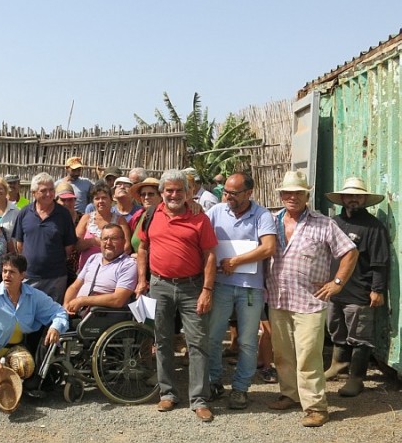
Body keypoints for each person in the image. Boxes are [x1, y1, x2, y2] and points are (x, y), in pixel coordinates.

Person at [265, 170, 358, 427]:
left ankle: (316, 407)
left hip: (310, 301)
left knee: (308, 356)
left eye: (298, 193)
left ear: (307, 196)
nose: (292, 197)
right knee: (282, 353)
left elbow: (350, 252)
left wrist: (337, 283)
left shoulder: (324, 224)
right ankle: (290, 394)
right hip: (278, 298)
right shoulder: (271, 221)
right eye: (288, 192)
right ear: (281, 195)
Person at [135, 169, 218, 423]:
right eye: (169, 190)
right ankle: (168, 393)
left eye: (179, 190)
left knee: (197, 343)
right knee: (162, 341)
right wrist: (142, 280)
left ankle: (199, 400)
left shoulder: (199, 217)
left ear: (188, 193)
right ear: (162, 192)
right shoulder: (151, 214)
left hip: (192, 287)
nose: (174, 195)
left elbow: (210, 255)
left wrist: (207, 290)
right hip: (159, 285)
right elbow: (143, 248)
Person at [205, 173, 277, 409]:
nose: (228, 196)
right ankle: (214, 382)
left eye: (234, 193)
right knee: (213, 337)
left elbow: (268, 248)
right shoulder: (216, 212)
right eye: (226, 192)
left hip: (250, 288)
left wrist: (235, 262)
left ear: (249, 193)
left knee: (247, 341)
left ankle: (240, 388)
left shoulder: (262, 215)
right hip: (220, 285)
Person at [0, 253, 69, 405]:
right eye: (4, 271)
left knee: (26, 367)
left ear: (22, 275)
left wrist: (56, 327)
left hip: (14, 348)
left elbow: (59, 312)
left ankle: (9, 381)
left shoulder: (33, 296)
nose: (7, 275)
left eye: (12, 272)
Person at [322, 177, 390, 397]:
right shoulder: (334, 223)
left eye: (358, 196)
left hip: (360, 291)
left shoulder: (373, 226)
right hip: (335, 290)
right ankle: (339, 366)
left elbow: (380, 261)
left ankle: (357, 378)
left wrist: (377, 290)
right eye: (349, 195)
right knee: (336, 330)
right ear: (342, 198)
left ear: (364, 199)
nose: (353, 199)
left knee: (359, 336)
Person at [12, 172, 77, 304]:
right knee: (27, 311)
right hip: (29, 276)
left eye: (51, 190)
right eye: (43, 190)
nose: (49, 194)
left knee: (52, 312)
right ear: (33, 193)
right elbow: (19, 245)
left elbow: (69, 247)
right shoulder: (24, 213)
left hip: (56, 278)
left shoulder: (63, 214)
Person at [63, 224, 136, 316]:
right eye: (105, 239)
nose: (108, 243)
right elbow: (75, 287)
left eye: (114, 239)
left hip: (100, 316)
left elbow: (118, 300)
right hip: (77, 311)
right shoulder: (93, 258)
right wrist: (66, 305)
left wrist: (82, 300)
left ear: (124, 241)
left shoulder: (128, 264)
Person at [75, 182, 130, 271]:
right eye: (97, 198)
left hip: (112, 269)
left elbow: (127, 247)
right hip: (87, 269)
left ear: (111, 199)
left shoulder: (120, 220)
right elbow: (76, 245)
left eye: (104, 198)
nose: (100, 201)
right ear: (93, 202)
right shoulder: (86, 218)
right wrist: (92, 241)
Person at [128, 177, 161, 253]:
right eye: (143, 194)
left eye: (150, 194)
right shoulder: (137, 216)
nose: (146, 197)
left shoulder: (164, 217)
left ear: (160, 196)